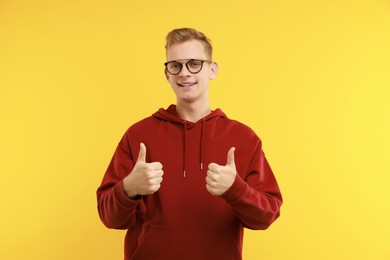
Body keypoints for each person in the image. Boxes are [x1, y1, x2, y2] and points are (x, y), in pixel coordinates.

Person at [96, 28, 283, 260]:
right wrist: (128, 189)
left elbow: (266, 216)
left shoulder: (244, 138)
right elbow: (109, 217)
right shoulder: (138, 135)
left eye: (194, 63)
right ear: (167, 74)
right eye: (175, 65)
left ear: (212, 70)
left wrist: (236, 189)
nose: (184, 73)